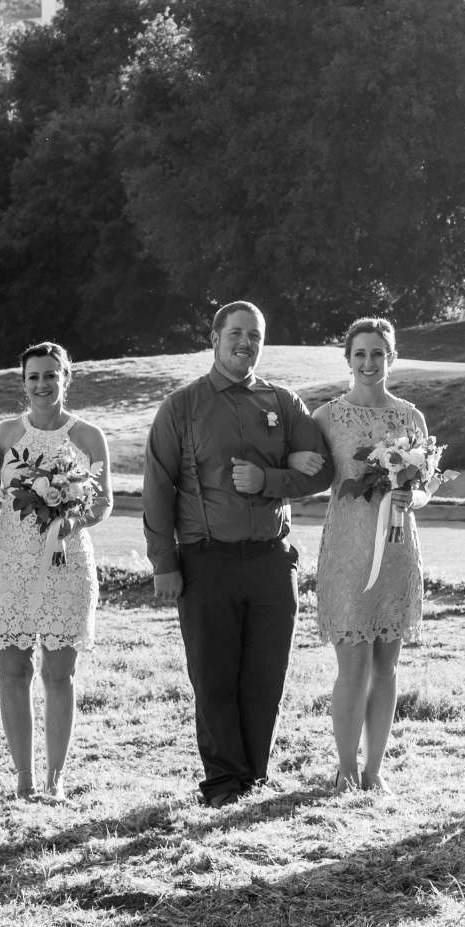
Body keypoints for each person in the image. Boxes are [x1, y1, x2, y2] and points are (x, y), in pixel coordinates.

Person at [144, 301, 331, 807]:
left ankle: (255, 775)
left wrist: (270, 478)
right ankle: (224, 782)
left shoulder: (284, 402)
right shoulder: (181, 408)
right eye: (237, 333)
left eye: (255, 335)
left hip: (272, 560)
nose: (245, 342)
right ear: (215, 337)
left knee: (265, 676)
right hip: (207, 561)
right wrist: (164, 562)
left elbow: (321, 472)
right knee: (214, 676)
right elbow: (158, 489)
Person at [0, 342, 112, 801]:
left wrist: (68, 521)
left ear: (66, 378)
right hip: (10, 562)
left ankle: (55, 779)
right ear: (23, 383)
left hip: (66, 562)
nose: (42, 385)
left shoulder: (88, 436)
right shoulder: (5, 434)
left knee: (59, 673)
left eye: (51, 375)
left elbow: (102, 503)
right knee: (13, 672)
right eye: (33, 377)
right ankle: (23, 777)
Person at [313, 317, 436, 791]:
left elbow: (427, 487)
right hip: (347, 550)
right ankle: (345, 767)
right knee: (354, 665)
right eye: (360, 354)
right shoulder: (326, 417)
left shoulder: (410, 417)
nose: (369, 363)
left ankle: (374, 770)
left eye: (378, 354)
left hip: (397, 550)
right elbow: (307, 474)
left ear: (391, 358)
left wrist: (415, 498)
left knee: (386, 666)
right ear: (348, 359)